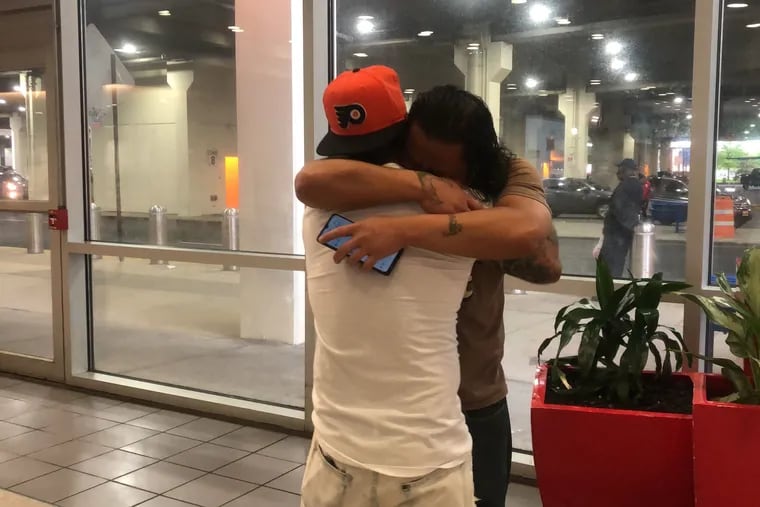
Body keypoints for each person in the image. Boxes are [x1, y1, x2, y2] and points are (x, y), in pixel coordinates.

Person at [297, 84, 561, 507]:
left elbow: (541, 255)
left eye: (443, 171)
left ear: (476, 163)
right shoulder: (391, 181)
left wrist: (401, 230)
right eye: (419, 161)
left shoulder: (506, 173)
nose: (432, 176)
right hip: (379, 423)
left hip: (474, 395)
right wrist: (421, 187)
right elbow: (309, 179)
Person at [301, 66, 486, 506]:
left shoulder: (316, 207)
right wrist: (426, 186)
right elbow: (532, 240)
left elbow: (312, 179)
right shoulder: (463, 209)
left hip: (335, 455)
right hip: (426, 463)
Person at [599, 159, 644, 277]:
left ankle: (608, 293)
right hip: (621, 234)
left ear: (626, 170)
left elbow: (620, 209)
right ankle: (610, 291)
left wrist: (620, 228)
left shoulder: (626, 186)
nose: (618, 172)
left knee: (610, 266)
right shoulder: (635, 185)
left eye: (620, 169)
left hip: (617, 235)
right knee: (616, 264)